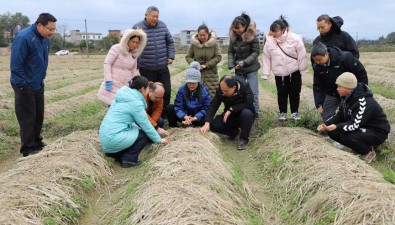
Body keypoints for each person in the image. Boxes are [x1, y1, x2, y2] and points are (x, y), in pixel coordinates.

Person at [10, 13, 57, 157]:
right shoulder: (24, 38)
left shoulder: (45, 39)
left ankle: (36, 141)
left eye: (54, 29)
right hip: (24, 84)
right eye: (50, 29)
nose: (52, 32)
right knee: (27, 117)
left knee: (38, 115)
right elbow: (16, 64)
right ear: (39, 25)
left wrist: (41, 78)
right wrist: (22, 84)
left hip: (37, 83)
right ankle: (28, 148)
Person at [317, 72, 390, 164]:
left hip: (377, 132)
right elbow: (340, 115)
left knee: (346, 135)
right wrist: (326, 125)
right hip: (362, 127)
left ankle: (368, 152)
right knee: (332, 132)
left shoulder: (363, 102)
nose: (337, 89)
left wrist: (337, 126)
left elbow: (354, 125)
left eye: (340, 87)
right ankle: (358, 148)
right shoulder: (347, 98)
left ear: (348, 88)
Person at [99, 76, 168, 168]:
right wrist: (159, 139)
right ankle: (129, 160)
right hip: (113, 141)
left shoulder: (123, 96)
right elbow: (145, 124)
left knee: (136, 129)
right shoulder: (135, 102)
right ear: (143, 89)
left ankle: (120, 156)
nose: (148, 89)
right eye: (147, 87)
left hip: (106, 142)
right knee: (143, 134)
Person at [262, 15, 308, 122]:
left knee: (295, 92)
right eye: (272, 31)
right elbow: (266, 58)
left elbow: (302, 55)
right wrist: (265, 74)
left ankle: (294, 112)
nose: (273, 34)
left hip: (294, 70)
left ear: (283, 30)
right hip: (279, 72)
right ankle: (282, 112)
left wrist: (303, 70)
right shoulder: (269, 42)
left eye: (276, 31)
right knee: (281, 92)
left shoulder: (295, 38)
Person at [133, 6, 175, 114]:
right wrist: (135, 62)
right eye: (153, 16)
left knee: (166, 91)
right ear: (146, 15)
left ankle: (163, 113)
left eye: (157, 16)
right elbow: (132, 45)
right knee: (149, 93)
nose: (155, 19)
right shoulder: (138, 28)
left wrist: (170, 56)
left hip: (162, 66)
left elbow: (170, 42)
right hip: (146, 67)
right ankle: (149, 114)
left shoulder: (163, 26)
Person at [311, 42, 368, 121]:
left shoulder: (344, 58)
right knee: (326, 113)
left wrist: (362, 89)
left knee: (350, 112)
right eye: (315, 60)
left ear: (327, 54)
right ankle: (332, 131)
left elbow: (361, 72)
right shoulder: (317, 67)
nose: (317, 62)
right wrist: (319, 103)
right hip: (333, 91)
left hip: (349, 90)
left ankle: (350, 129)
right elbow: (317, 85)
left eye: (319, 59)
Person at [200, 75, 255, 150]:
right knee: (213, 124)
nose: (223, 93)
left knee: (246, 114)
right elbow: (213, 106)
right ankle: (234, 133)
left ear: (234, 87)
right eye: (222, 90)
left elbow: (249, 102)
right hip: (230, 115)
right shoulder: (221, 90)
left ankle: (244, 139)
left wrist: (232, 109)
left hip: (245, 113)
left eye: (226, 91)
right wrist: (207, 122)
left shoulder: (244, 86)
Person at [98, 29, 147, 105]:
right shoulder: (116, 48)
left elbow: (133, 70)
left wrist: (135, 82)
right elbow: (107, 63)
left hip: (125, 85)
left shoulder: (134, 54)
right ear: (126, 40)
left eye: (137, 43)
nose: (135, 45)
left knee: (122, 106)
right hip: (113, 82)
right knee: (112, 104)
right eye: (133, 42)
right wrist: (108, 80)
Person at [228, 12, 260, 118]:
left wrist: (244, 62)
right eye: (235, 28)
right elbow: (230, 53)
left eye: (239, 28)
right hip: (238, 70)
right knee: (238, 92)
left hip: (251, 68)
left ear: (245, 26)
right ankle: (238, 112)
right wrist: (231, 66)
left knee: (253, 92)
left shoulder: (252, 36)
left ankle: (254, 113)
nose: (237, 30)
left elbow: (255, 52)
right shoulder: (233, 38)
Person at [166, 62, 211, 127]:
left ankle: (191, 124)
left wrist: (195, 118)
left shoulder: (204, 90)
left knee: (208, 119)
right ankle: (173, 127)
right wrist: (185, 116)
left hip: (197, 117)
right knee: (170, 108)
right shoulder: (182, 89)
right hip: (184, 115)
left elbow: (206, 107)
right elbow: (178, 106)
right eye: (189, 83)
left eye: (193, 83)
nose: (191, 85)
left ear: (198, 81)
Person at [185, 23, 222, 97]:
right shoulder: (194, 44)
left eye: (204, 35)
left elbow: (218, 57)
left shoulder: (214, 44)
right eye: (200, 35)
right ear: (197, 34)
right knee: (197, 95)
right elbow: (188, 57)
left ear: (208, 34)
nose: (202, 37)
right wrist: (196, 65)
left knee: (212, 96)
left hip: (211, 74)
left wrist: (206, 65)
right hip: (197, 73)